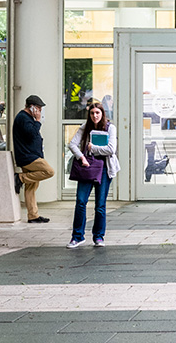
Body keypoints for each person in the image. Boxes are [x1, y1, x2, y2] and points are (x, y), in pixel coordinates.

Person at [66, 98, 119, 248]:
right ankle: (77, 236)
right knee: (81, 202)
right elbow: (72, 144)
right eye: (92, 113)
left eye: (97, 112)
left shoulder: (110, 128)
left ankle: (99, 237)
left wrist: (92, 148)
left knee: (100, 205)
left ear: (102, 113)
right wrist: (82, 157)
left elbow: (111, 149)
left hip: (104, 169)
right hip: (87, 167)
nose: (95, 116)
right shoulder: (85, 127)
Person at [11, 94, 55, 223]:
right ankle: (19, 178)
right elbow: (31, 134)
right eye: (39, 108)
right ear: (32, 107)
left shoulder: (26, 117)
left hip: (31, 154)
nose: (40, 111)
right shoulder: (24, 118)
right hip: (28, 156)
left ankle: (33, 216)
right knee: (49, 171)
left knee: (31, 188)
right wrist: (37, 121)